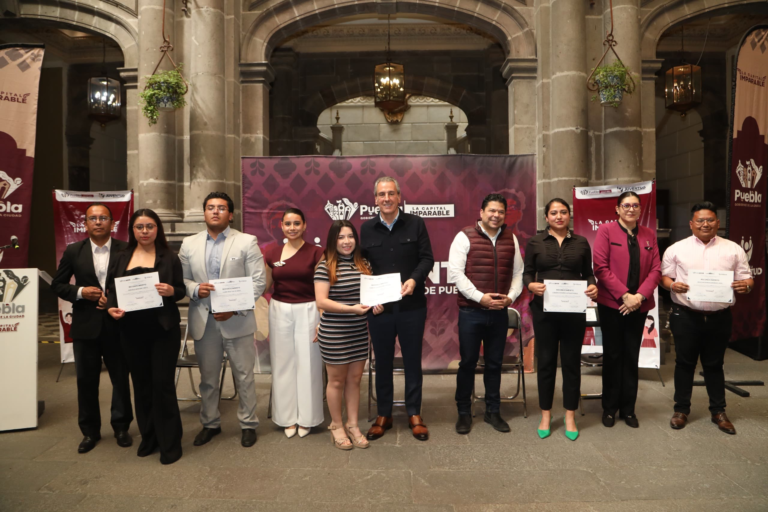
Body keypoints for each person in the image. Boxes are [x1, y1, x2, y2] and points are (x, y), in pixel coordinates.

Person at [179, 192, 267, 448]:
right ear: (204, 212)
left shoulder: (246, 242)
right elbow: (181, 280)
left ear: (231, 214)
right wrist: (195, 289)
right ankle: (210, 424)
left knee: (244, 377)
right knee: (208, 378)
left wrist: (234, 308)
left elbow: (258, 282)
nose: (215, 211)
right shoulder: (189, 244)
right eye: (210, 207)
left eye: (221, 208)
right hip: (204, 321)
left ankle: (248, 424)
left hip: (237, 321)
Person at [661, 202, 753, 435]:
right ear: (691, 224)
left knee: (714, 364)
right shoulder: (676, 249)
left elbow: (747, 278)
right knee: (684, 364)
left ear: (718, 223)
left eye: (710, 220)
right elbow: (665, 278)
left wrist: (747, 286)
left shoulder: (733, 249)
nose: (705, 224)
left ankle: (718, 411)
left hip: (720, 317)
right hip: (686, 315)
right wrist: (673, 285)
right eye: (700, 220)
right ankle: (681, 410)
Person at [51, 203, 133, 454]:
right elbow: (57, 284)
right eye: (92, 218)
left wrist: (115, 300)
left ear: (112, 223)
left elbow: (134, 284)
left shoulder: (126, 250)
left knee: (120, 379)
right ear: (85, 224)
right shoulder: (74, 250)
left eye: (103, 218)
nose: (98, 222)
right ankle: (90, 431)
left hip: (118, 324)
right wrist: (80, 292)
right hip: (86, 326)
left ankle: (121, 427)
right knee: (86, 381)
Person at [105, 209, 185, 464]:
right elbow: (111, 289)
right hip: (131, 331)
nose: (145, 231)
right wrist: (111, 308)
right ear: (132, 230)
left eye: (150, 226)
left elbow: (181, 289)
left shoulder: (169, 257)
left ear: (157, 229)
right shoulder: (121, 257)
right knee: (141, 386)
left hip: (162, 330)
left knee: (162, 385)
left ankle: (170, 443)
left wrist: (172, 290)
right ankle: (149, 437)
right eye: (140, 227)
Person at [362, 176, 434, 442]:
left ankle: (414, 412)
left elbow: (427, 258)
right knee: (382, 361)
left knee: (413, 360)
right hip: (380, 309)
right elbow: (362, 266)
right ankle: (384, 414)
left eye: (391, 193)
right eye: (381, 194)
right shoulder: (366, 228)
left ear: (399, 197)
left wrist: (414, 279)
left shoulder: (416, 223)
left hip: (411, 306)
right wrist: (370, 298)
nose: (387, 198)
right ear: (375, 199)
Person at [448, 193, 524, 435]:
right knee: (468, 363)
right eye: (491, 211)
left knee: (494, 364)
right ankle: (463, 412)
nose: (496, 215)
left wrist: (510, 297)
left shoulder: (511, 238)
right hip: (472, 312)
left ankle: (493, 411)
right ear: (481, 212)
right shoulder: (464, 236)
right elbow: (456, 275)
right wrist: (481, 297)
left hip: (499, 313)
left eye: (501, 212)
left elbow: (518, 274)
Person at [523, 198, 598, 441]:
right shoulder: (535, 241)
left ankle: (569, 415)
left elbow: (588, 273)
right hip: (544, 309)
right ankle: (545, 414)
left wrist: (593, 286)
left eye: (563, 212)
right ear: (546, 217)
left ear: (569, 216)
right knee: (545, 361)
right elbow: (526, 273)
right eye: (553, 213)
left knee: (571, 362)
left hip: (573, 309)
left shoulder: (581, 242)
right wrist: (530, 285)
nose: (558, 216)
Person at [593, 191, 661, 429]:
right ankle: (609, 408)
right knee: (613, 355)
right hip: (613, 304)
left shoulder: (649, 234)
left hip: (638, 307)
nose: (631, 209)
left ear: (640, 210)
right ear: (617, 209)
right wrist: (624, 295)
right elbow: (600, 267)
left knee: (631, 356)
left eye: (635, 206)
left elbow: (656, 270)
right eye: (626, 205)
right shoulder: (606, 231)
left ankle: (628, 409)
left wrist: (639, 297)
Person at [314, 220, 376, 450]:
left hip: (358, 331)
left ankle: (352, 425)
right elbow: (321, 301)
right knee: (337, 381)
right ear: (333, 240)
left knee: (354, 380)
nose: (347, 241)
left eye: (350, 236)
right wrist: (351, 308)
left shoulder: (364, 264)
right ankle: (336, 425)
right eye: (341, 237)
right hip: (335, 332)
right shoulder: (325, 266)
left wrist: (375, 305)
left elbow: (369, 295)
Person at [264, 207, 325, 438]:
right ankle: (286, 417)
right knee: (282, 364)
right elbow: (265, 286)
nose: (292, 228)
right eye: (287, 224)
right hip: (279, 310)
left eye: (296, 223)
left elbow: (322, 288)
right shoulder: (271, 253)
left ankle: (307, 418)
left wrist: (322, 317)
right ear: (281, 226)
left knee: (308, 363)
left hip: (309, 309)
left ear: (305, 226)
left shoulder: (317, 253)